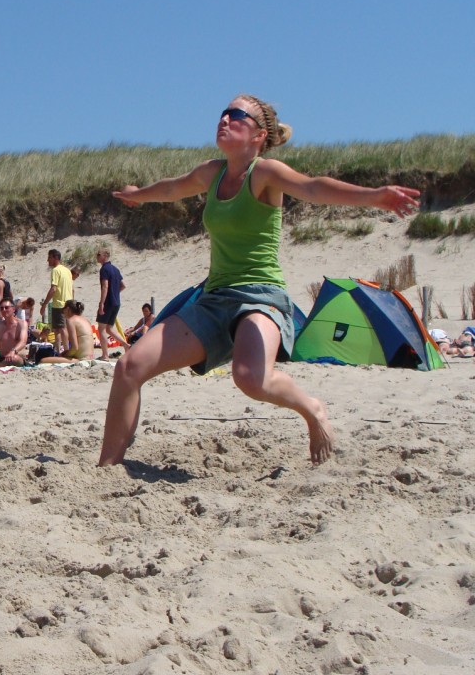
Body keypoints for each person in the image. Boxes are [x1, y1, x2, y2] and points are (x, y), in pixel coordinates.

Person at [99, 94, 421, 468]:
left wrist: (374, 196)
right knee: (129, 367)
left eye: (236, 116)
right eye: (223, 113)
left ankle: (312, 408)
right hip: (213, 299)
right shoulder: (212, 172)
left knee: (251, 378)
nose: (225, 119)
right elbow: (174, 187)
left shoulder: (265, 172)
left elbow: (314, 187)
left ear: (259, 135)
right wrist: (141, 195)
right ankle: (108, 469)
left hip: (260, 297)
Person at [95, 248, 130, 359]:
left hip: (108, 302)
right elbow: (123, 285)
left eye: (99, 254)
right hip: (116, 302)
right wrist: (115, 293)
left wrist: (102, 303)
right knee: (109, 328)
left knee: (101, 328)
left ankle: (105, 355)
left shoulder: (104, 269)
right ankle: (125, 344)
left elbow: (105, 286)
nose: (97, 256)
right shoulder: (115, 269)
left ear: (105, 256)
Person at [40, 249, 73, 353]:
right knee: (61, 329)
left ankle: (63, 351)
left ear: (55, 257)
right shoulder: (67, 270)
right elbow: (72, 288)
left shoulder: (56, 270)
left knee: (60, 329)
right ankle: (61, 350)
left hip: (59, 303)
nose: (47, 260)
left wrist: (44, 305)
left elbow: (53, 289)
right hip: (69, 303)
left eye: (49, 257)